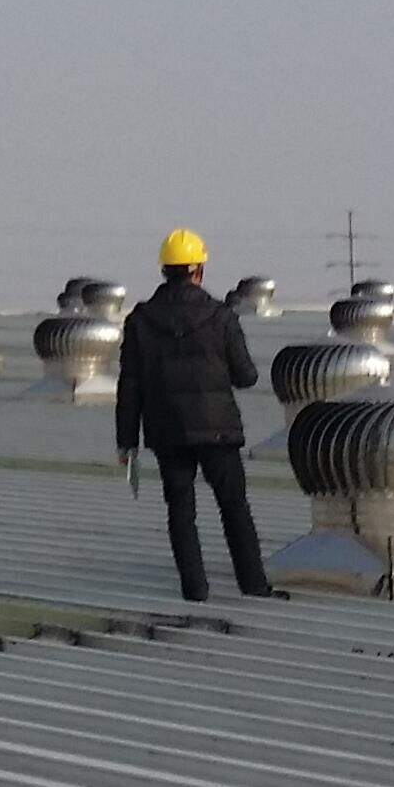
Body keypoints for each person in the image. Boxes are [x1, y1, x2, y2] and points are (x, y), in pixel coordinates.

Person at [114, 227, 278, 601]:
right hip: (218, 428)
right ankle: (254, 585)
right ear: (198, 270)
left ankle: (195, 590)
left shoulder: (140, 320)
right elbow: (247, 376)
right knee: (234, 507)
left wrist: (126, 440)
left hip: (167, 430)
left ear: (164, 270)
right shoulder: (221, 316)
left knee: (180, 511)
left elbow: (130, 385)